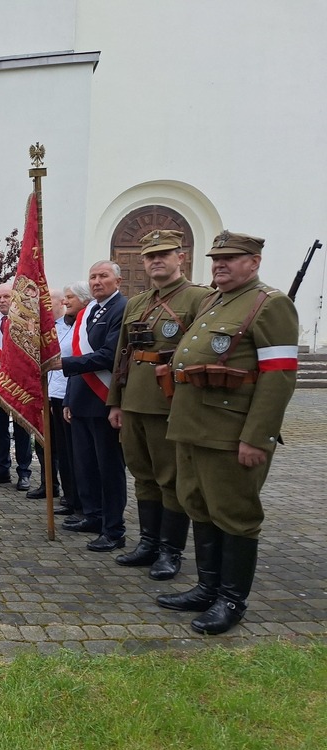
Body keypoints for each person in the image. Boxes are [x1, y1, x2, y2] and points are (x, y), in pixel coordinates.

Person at [157, 231, 298, 635]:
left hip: (229, 431)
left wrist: (257, 437)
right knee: (198, 505)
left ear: (253, 262)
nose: (220, 264)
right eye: (216, 258)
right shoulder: (214, 301)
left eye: (232, 258)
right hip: (191, 426)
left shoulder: (270, 305)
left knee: (234, 515)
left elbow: (279, 376)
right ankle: (207, 588)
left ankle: (231, 600)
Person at [107, 230, 210, 580]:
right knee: (143, 475)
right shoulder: (137, 302)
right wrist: (116, 402)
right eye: (150, 256)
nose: (156, 261)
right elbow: (123, 354)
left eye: (164, 254)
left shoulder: (199, 299)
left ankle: (170, 551)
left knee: (171, 479)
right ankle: (148, 543)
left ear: (180, 257)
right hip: (135, 400)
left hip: (170, 403)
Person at [59, 261, 127, 551]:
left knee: (108, 467)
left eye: (104, 276)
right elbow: (78, 354)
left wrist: (63, 364)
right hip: (82, 401)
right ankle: (93, 515)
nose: (97, 281)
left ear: (118, 281)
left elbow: (109, 355)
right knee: (85, 464)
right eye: (93, 277)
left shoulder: (121, 309)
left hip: (104, 400)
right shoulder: (90, 311)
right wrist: (69, 399)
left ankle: (113, 528)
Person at [52, 282, 91, 516]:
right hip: (56, 393)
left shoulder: (83, 324)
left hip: (76, 393)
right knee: (64, 452)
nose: (66, 301)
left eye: (69, 297)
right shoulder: (60, 326)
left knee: (77, 453)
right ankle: (70, 497)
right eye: (65, 297)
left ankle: (82, 502)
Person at [0, 282, 34, 490]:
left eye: (6, 297)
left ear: (14, 298)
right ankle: (2, 468)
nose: (1, 301)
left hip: (18, 384)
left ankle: (24, 472)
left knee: (21, 429)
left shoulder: (24, 323)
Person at [27, 288, 67, 500]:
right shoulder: (41, 329)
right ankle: (48, 484)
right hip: (43, 393)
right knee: (43, 444)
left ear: (62, 302)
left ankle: (69, 493)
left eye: (49, 302)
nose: (45, 307)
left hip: (62, 393)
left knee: (63, 447)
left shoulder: (71, 326)